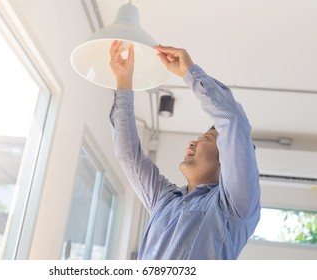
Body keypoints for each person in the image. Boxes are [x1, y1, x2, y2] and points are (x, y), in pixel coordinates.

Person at [109, 40, 261, 260]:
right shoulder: (165, 200)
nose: (193, 143)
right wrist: (123, 82)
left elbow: (233, 120)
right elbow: (129, 156)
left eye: (206, 139)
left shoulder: (233, 207)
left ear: (225, 160)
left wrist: (190, 73)